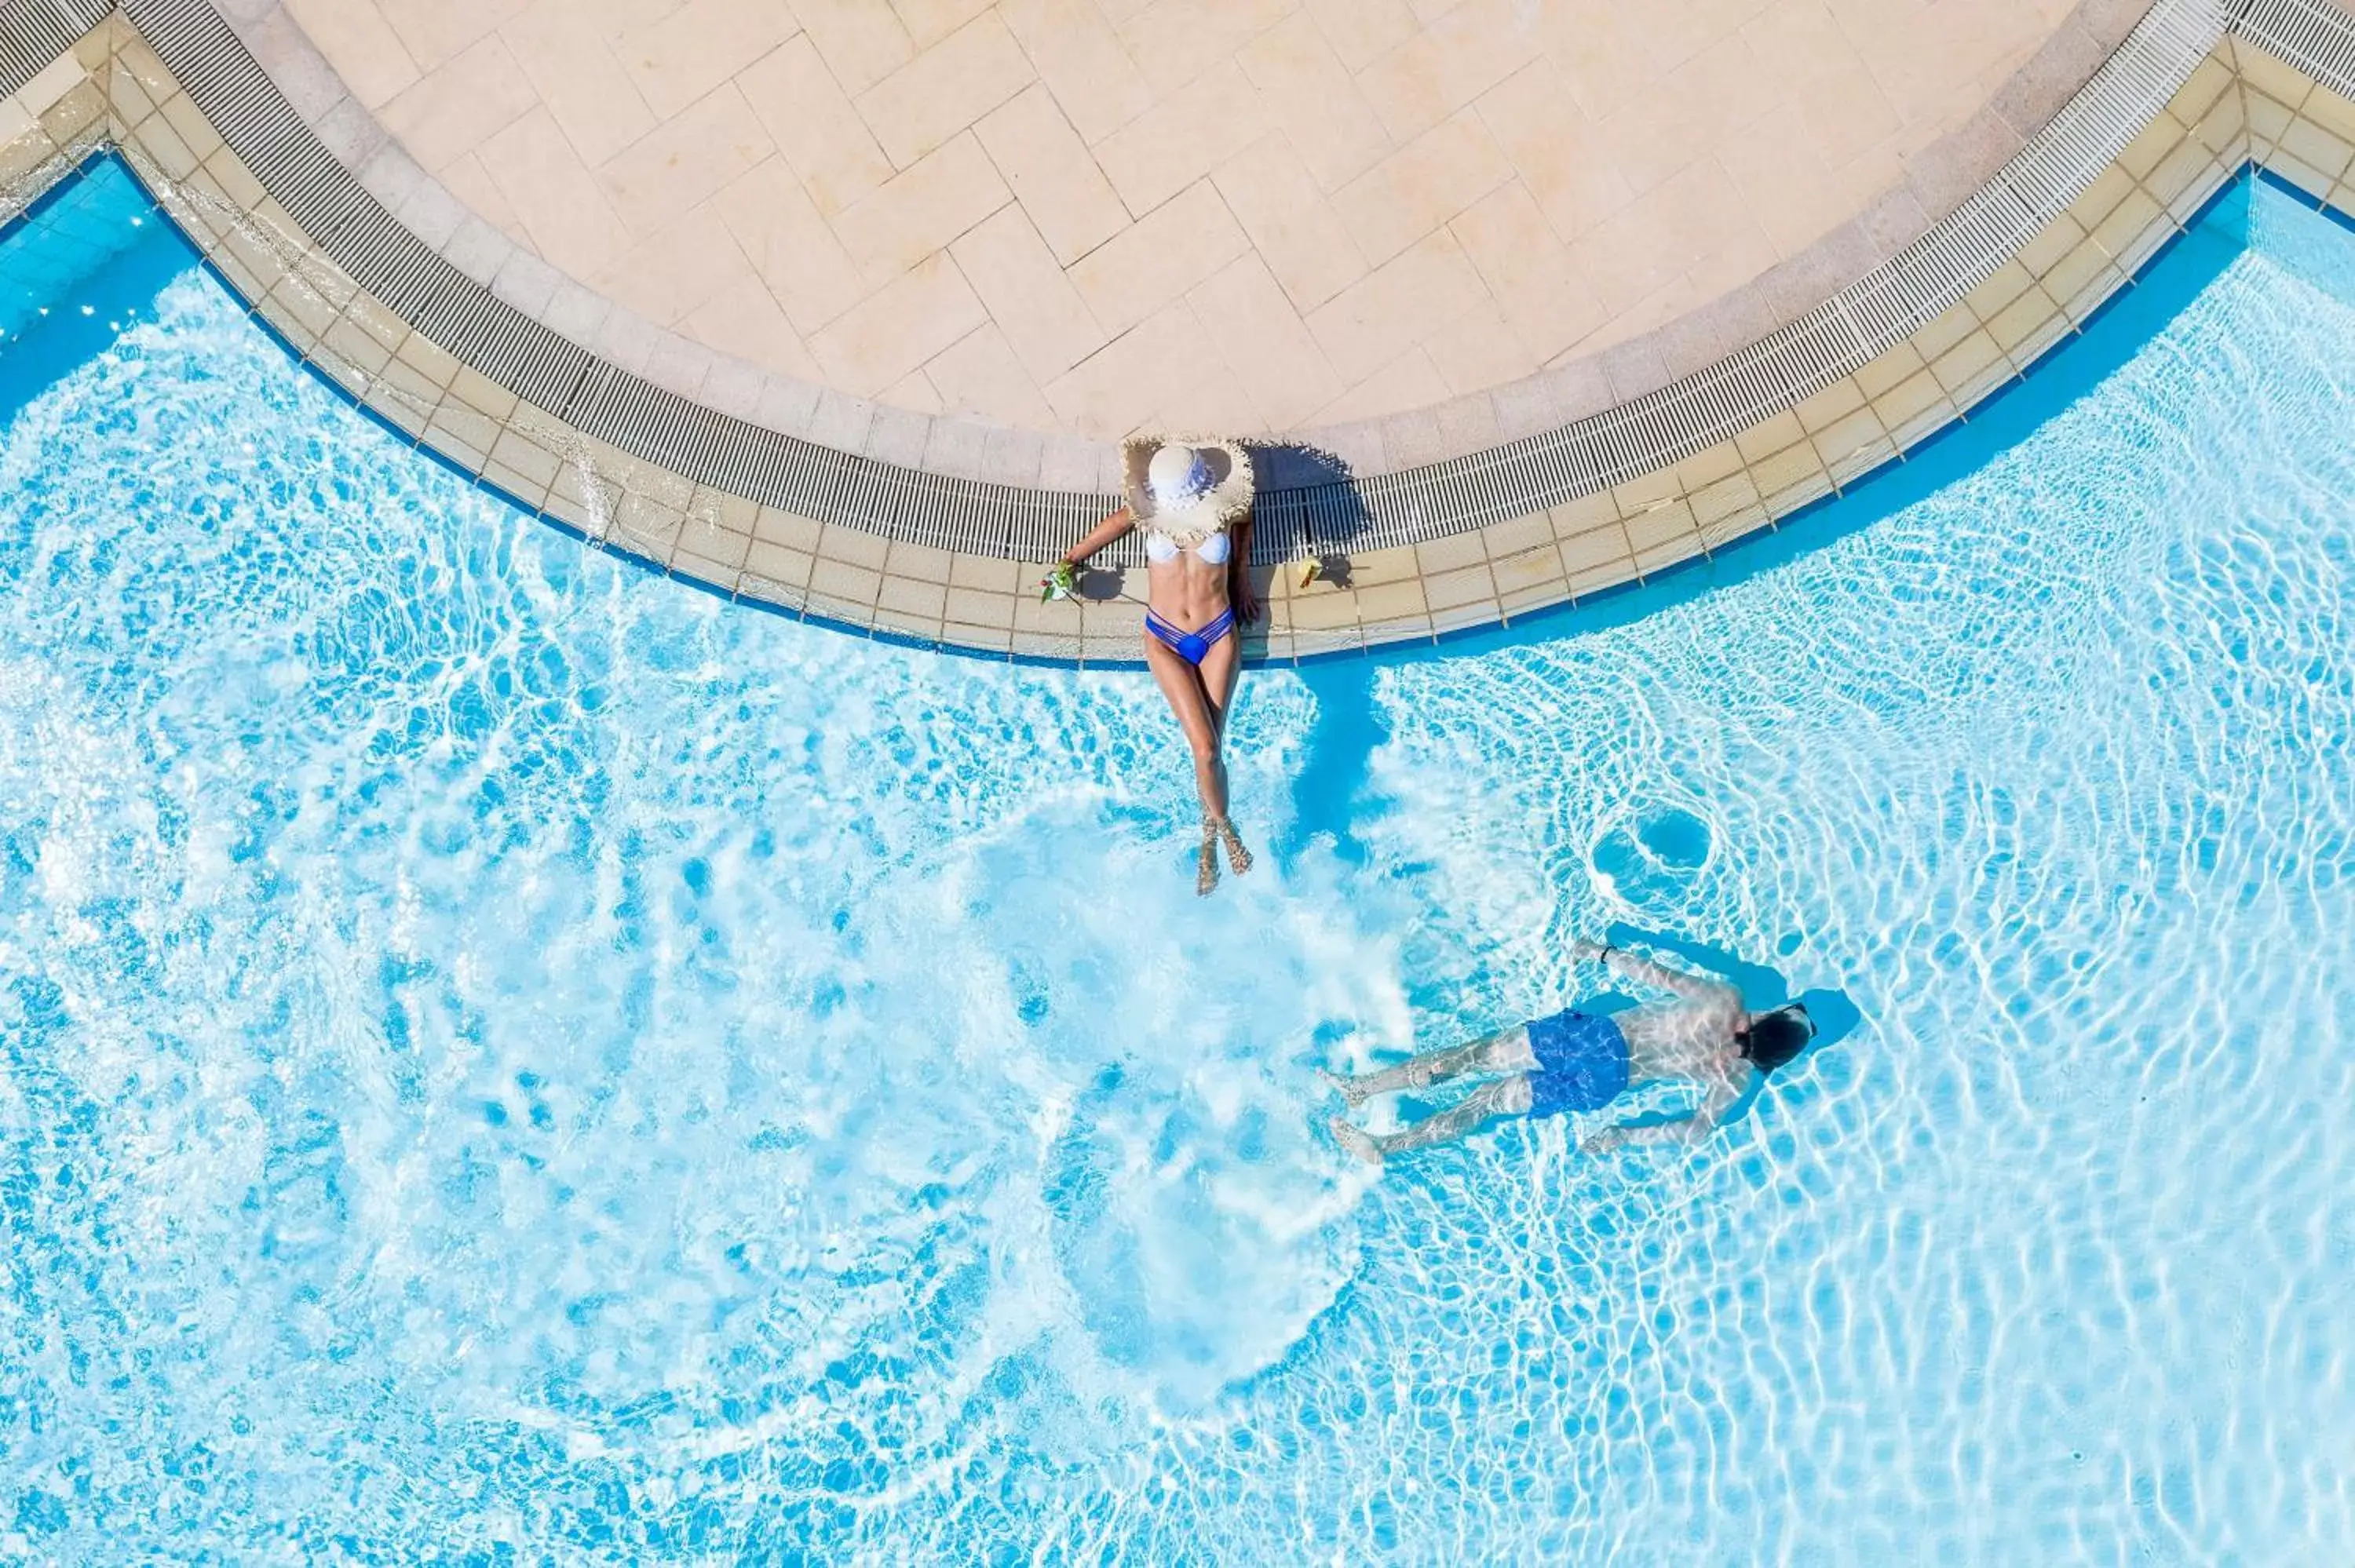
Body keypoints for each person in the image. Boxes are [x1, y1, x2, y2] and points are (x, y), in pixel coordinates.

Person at [1323, 940, 1816, 1165]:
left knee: (1470, 1058)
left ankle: (1362, 1088)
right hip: (1603, 1085)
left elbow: (1658, 975)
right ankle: (1385, 1147)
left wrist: (1604, 955)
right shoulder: (1737, 1078)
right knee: (1486, 1103)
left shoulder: (1727, 1000)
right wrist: (1621, 1138)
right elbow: (1695, 1132)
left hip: (1595, 1039)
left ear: (1773, 1015)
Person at [1055, 436, 1261, 895]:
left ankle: (1210, 831)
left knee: (1209, 748)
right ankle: (1223, 828)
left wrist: (1242, 580)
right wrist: (1068, 563)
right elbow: (1108, 528)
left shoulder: (1224, 506)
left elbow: (1246, 523)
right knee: (1206, 748)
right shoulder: (1148, 509)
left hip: (1217, 634)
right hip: (1166, 638)